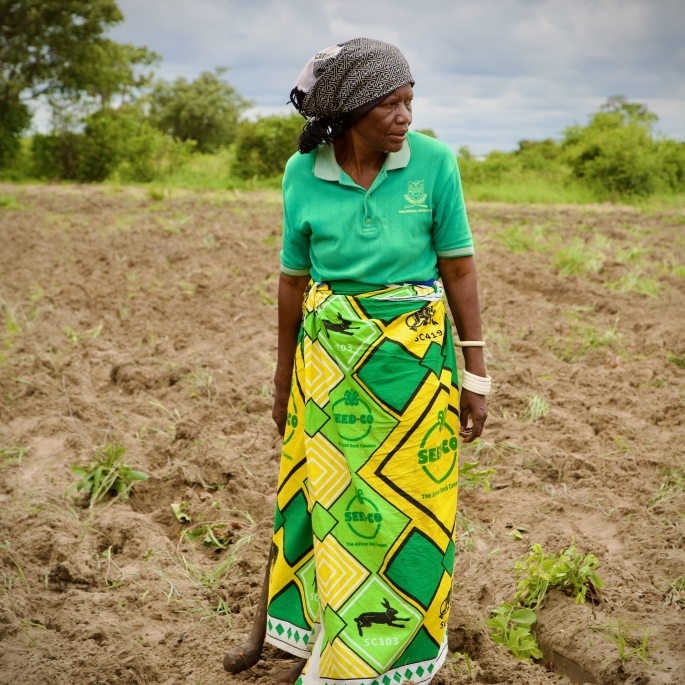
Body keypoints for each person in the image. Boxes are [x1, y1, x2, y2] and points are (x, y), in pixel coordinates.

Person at [224, 37, 490, 685]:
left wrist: (475, 374)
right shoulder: (302, 172)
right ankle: (319, 639)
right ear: (347, 111)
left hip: (413, 368)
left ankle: (391, 654)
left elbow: (458, 269)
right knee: (323, 500)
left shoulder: (433, 163)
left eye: (410, 101)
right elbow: (293, 280)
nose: (405, 116)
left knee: (411, 508)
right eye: (389, 105)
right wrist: (283, 378)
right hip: (329, 366)